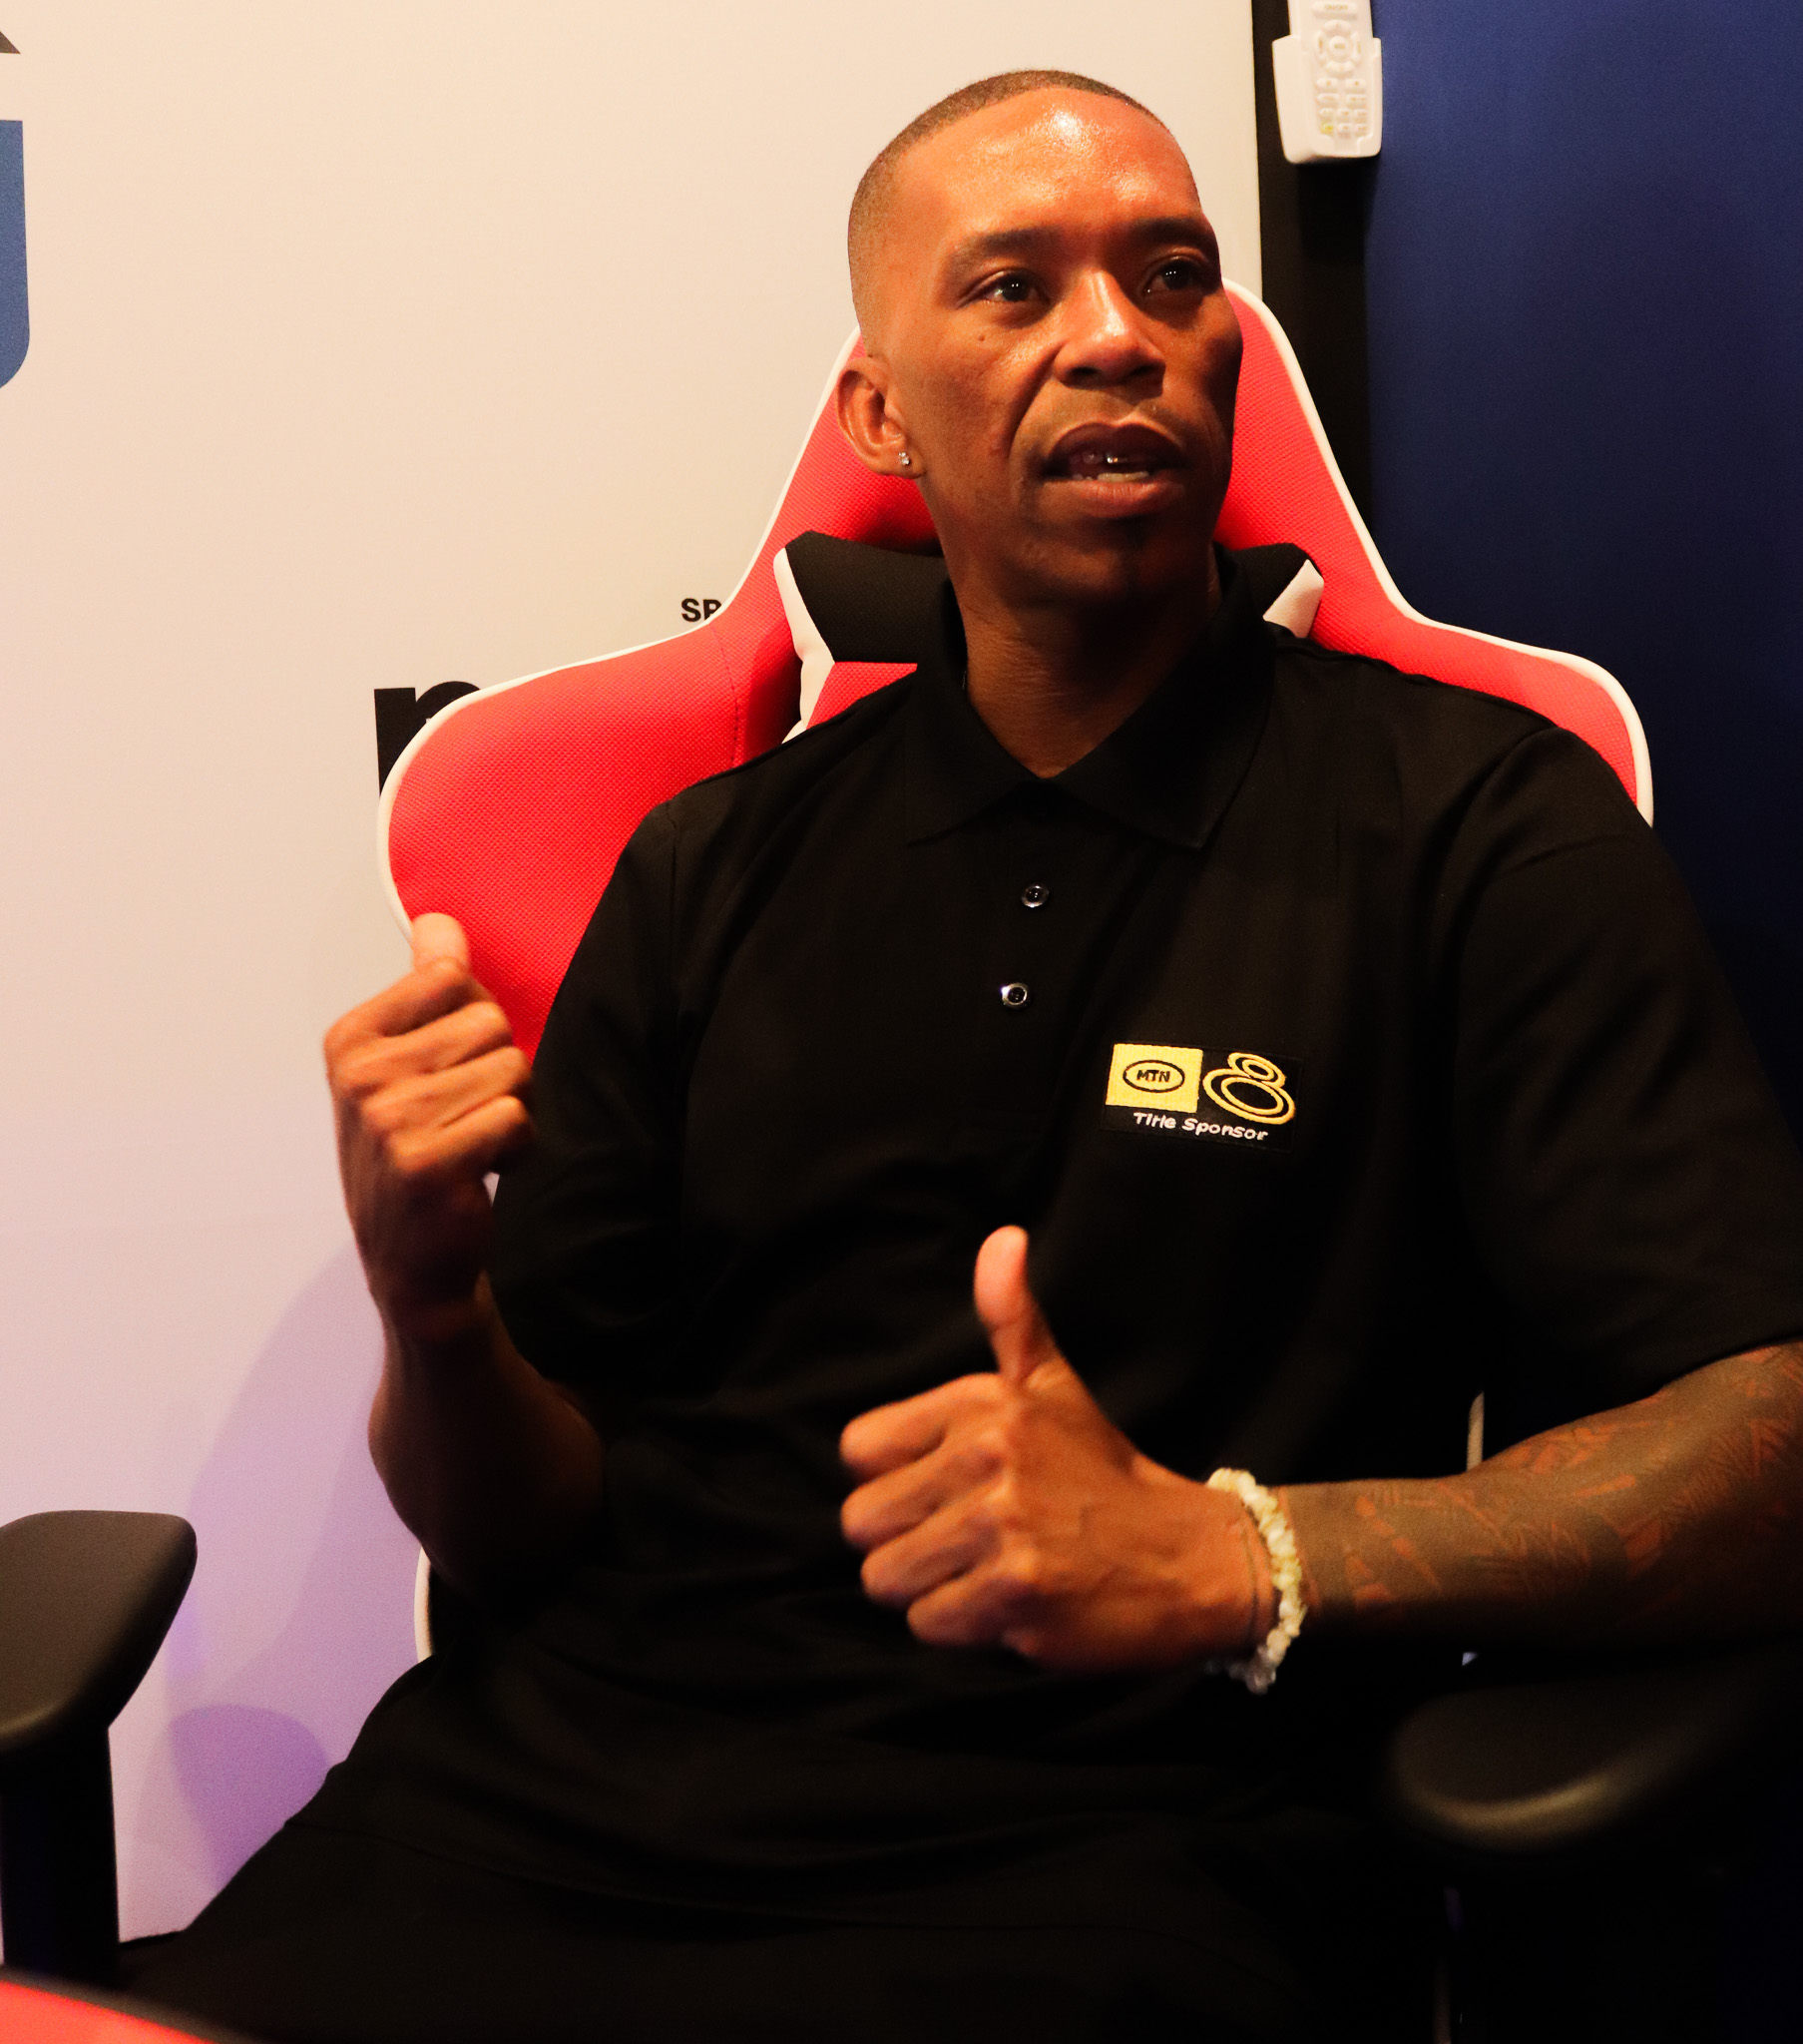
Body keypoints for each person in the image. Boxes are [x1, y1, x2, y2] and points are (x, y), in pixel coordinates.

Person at [138, 71, 1803, 2043]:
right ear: (881, 417)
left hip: (1133, 1864)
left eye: (1171, 277)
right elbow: (518, 1535)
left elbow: (1770, 1441)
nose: (1117, 334)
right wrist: (432, 1313)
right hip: (539, 1815)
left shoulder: (1479, 829)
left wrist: (1241, 1553)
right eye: (1016, 287)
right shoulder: (708, 862)